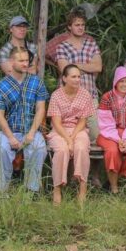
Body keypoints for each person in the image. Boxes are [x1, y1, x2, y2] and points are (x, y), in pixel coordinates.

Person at [0, 47, 49, 194]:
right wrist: (10, 137)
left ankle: (31, 190)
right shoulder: (1, 85)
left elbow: (40, 109)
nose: (25, 63)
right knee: (2, 149)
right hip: (8, 130)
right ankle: (3, 190)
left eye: (27, 60)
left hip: (31, 129)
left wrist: (31, 133)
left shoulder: (36, 82)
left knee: (39, 148)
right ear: (11, 62)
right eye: (21, 60)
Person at [47, 64, 96, 204]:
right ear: (64, 78)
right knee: (62, 150)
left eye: (79, 76)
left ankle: (82, 188)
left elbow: (83, 121)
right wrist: (68, 141)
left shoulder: (85, 94)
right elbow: (56, 122)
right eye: (73, 76)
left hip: (78, 130)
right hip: (60, 131)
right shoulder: (56, 95)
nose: (77, 79)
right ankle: (57, 189)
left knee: (81, 148)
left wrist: (72, 138)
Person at [55, 7, 103, 140]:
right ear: (69, 27)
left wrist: (75, 66)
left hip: (89, 95)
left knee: (95, 134)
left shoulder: (91, 44)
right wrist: (88, 67)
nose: (81, 27)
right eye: (77, 25)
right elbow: (65, 70)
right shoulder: (62, 46)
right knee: (67, 134)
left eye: (82, 25)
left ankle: (93, 161)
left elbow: (98, 67)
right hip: (68, 97)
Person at [96, 67, 126, 193]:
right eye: (121, 81)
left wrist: (125, 139)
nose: (125, 84)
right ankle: (114, 188)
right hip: (109, 132)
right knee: (112, 150)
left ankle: (122, 180)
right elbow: (105, 123)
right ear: (115, 82)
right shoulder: (107, 97)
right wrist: (118, 140)